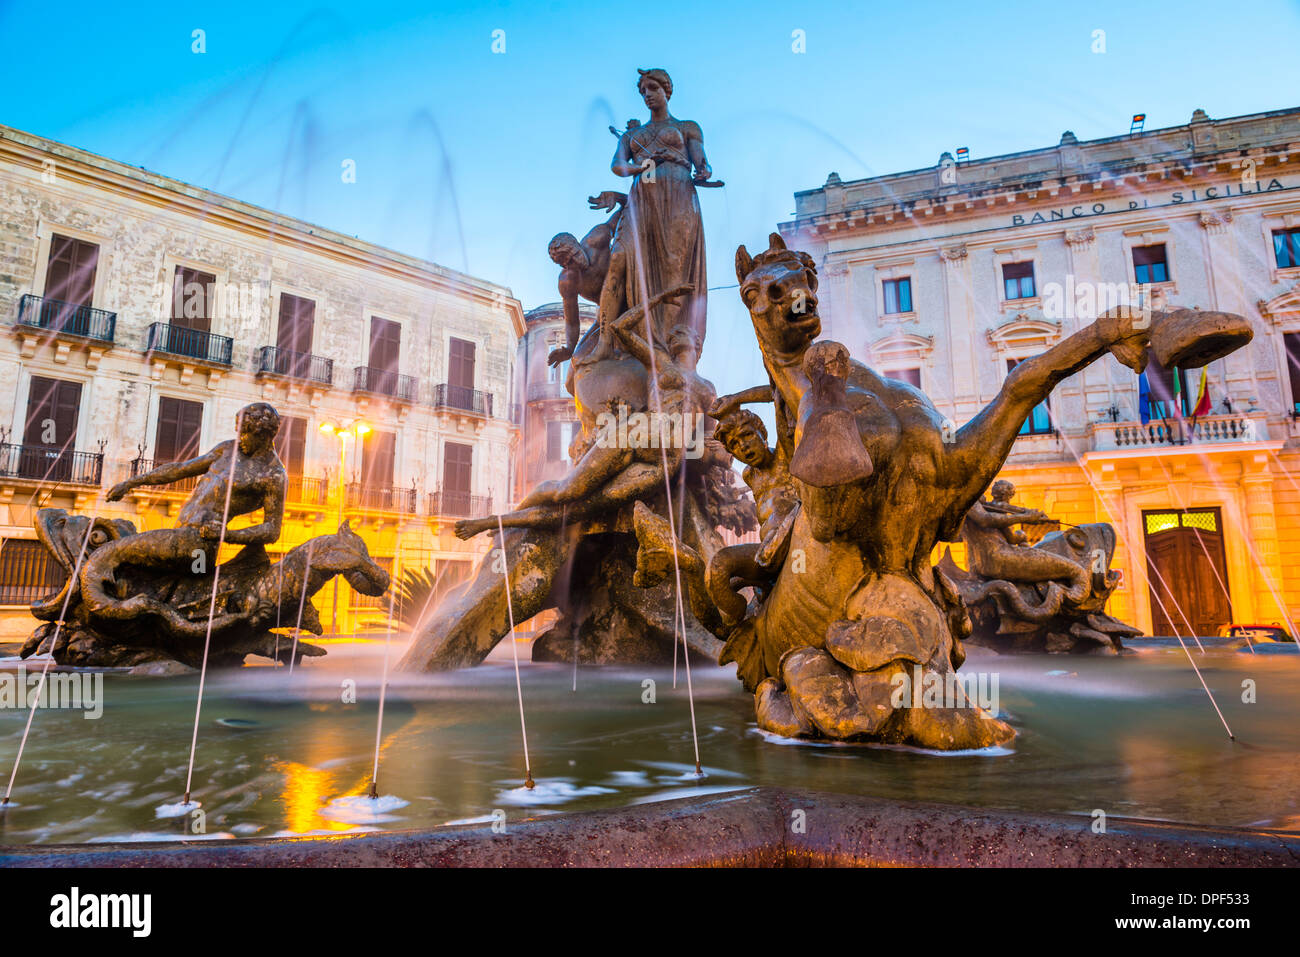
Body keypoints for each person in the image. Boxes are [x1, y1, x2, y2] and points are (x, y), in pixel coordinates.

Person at [80, 402, 287, 633]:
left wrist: (227, 535)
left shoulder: (273, 475)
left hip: (197, 546)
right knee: (127, 570)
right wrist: (133, 482)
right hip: (179, 533)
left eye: (244, 433)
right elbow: (180, 469)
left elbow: (272, 529)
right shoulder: (228, 449)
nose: (241, 439)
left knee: (109, 552)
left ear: (263, 435)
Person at [707, 410, 799, 624]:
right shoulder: (750, 475)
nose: (743, 446)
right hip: (767, 553)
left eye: (747, 435)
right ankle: (741, 622)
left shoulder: (785, 455)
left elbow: (779, 396)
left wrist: (735, 399)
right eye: (735, 444)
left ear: (763, 433)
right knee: (720, 577)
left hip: (796, 547)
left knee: (722, 562)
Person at [547, 190, 627, 367]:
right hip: (607, 317)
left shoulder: (597, 238)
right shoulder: (568, 281)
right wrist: (568, 349)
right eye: (566, 263)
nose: (574, 262)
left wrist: (618, 197)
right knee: (578, 361)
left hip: (631, 294)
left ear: (578, 244)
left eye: (573, 254)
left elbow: (628, 209)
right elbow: (572, 321)